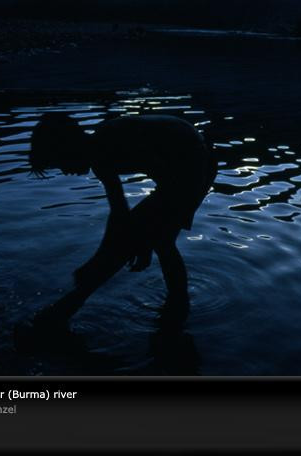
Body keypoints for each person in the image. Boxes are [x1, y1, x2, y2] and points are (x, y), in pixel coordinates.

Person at [25, 112, 217, 332]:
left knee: (148, 241)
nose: (64, 171)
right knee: (157, 241)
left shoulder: (109, 141)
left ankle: (63, 312)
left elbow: (164, 183)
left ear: (67, 146)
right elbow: (118, 213)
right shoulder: (100, 153)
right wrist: (140, 239)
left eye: (59, 162)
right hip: (184, 167)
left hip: (194, 163)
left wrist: (140, 240)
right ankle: (176, 312)